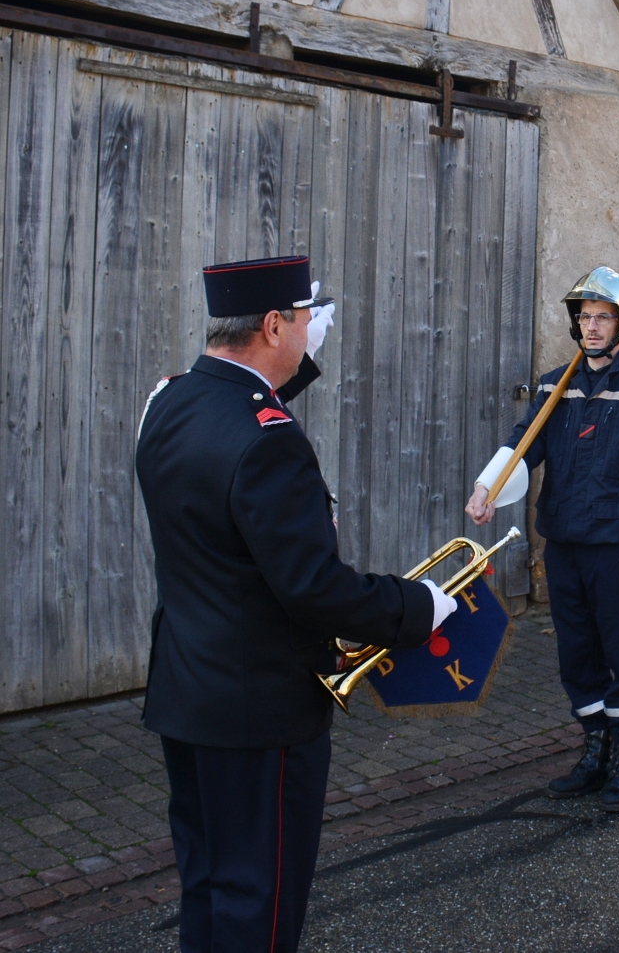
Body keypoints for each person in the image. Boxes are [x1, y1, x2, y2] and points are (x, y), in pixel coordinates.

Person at [136, 256, 456, 953]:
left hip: (188, 693)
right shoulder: (271, 441)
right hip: (261, 712)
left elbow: (231, 415)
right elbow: (314, 589)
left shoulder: (166, 400)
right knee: (262, 899)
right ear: (274, 324)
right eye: (304, 321)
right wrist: (418, 608)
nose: (311, 334)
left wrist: (292, 366)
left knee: (210, 884)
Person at [467, 266, 619, 813]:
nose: (590, 327)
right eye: (584, 317)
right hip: (562, 542)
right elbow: (525, 445)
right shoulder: (553, 384)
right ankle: (595, 747)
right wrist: (487, 488)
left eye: (602, 317)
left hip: (616, 549)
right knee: (575, 654)